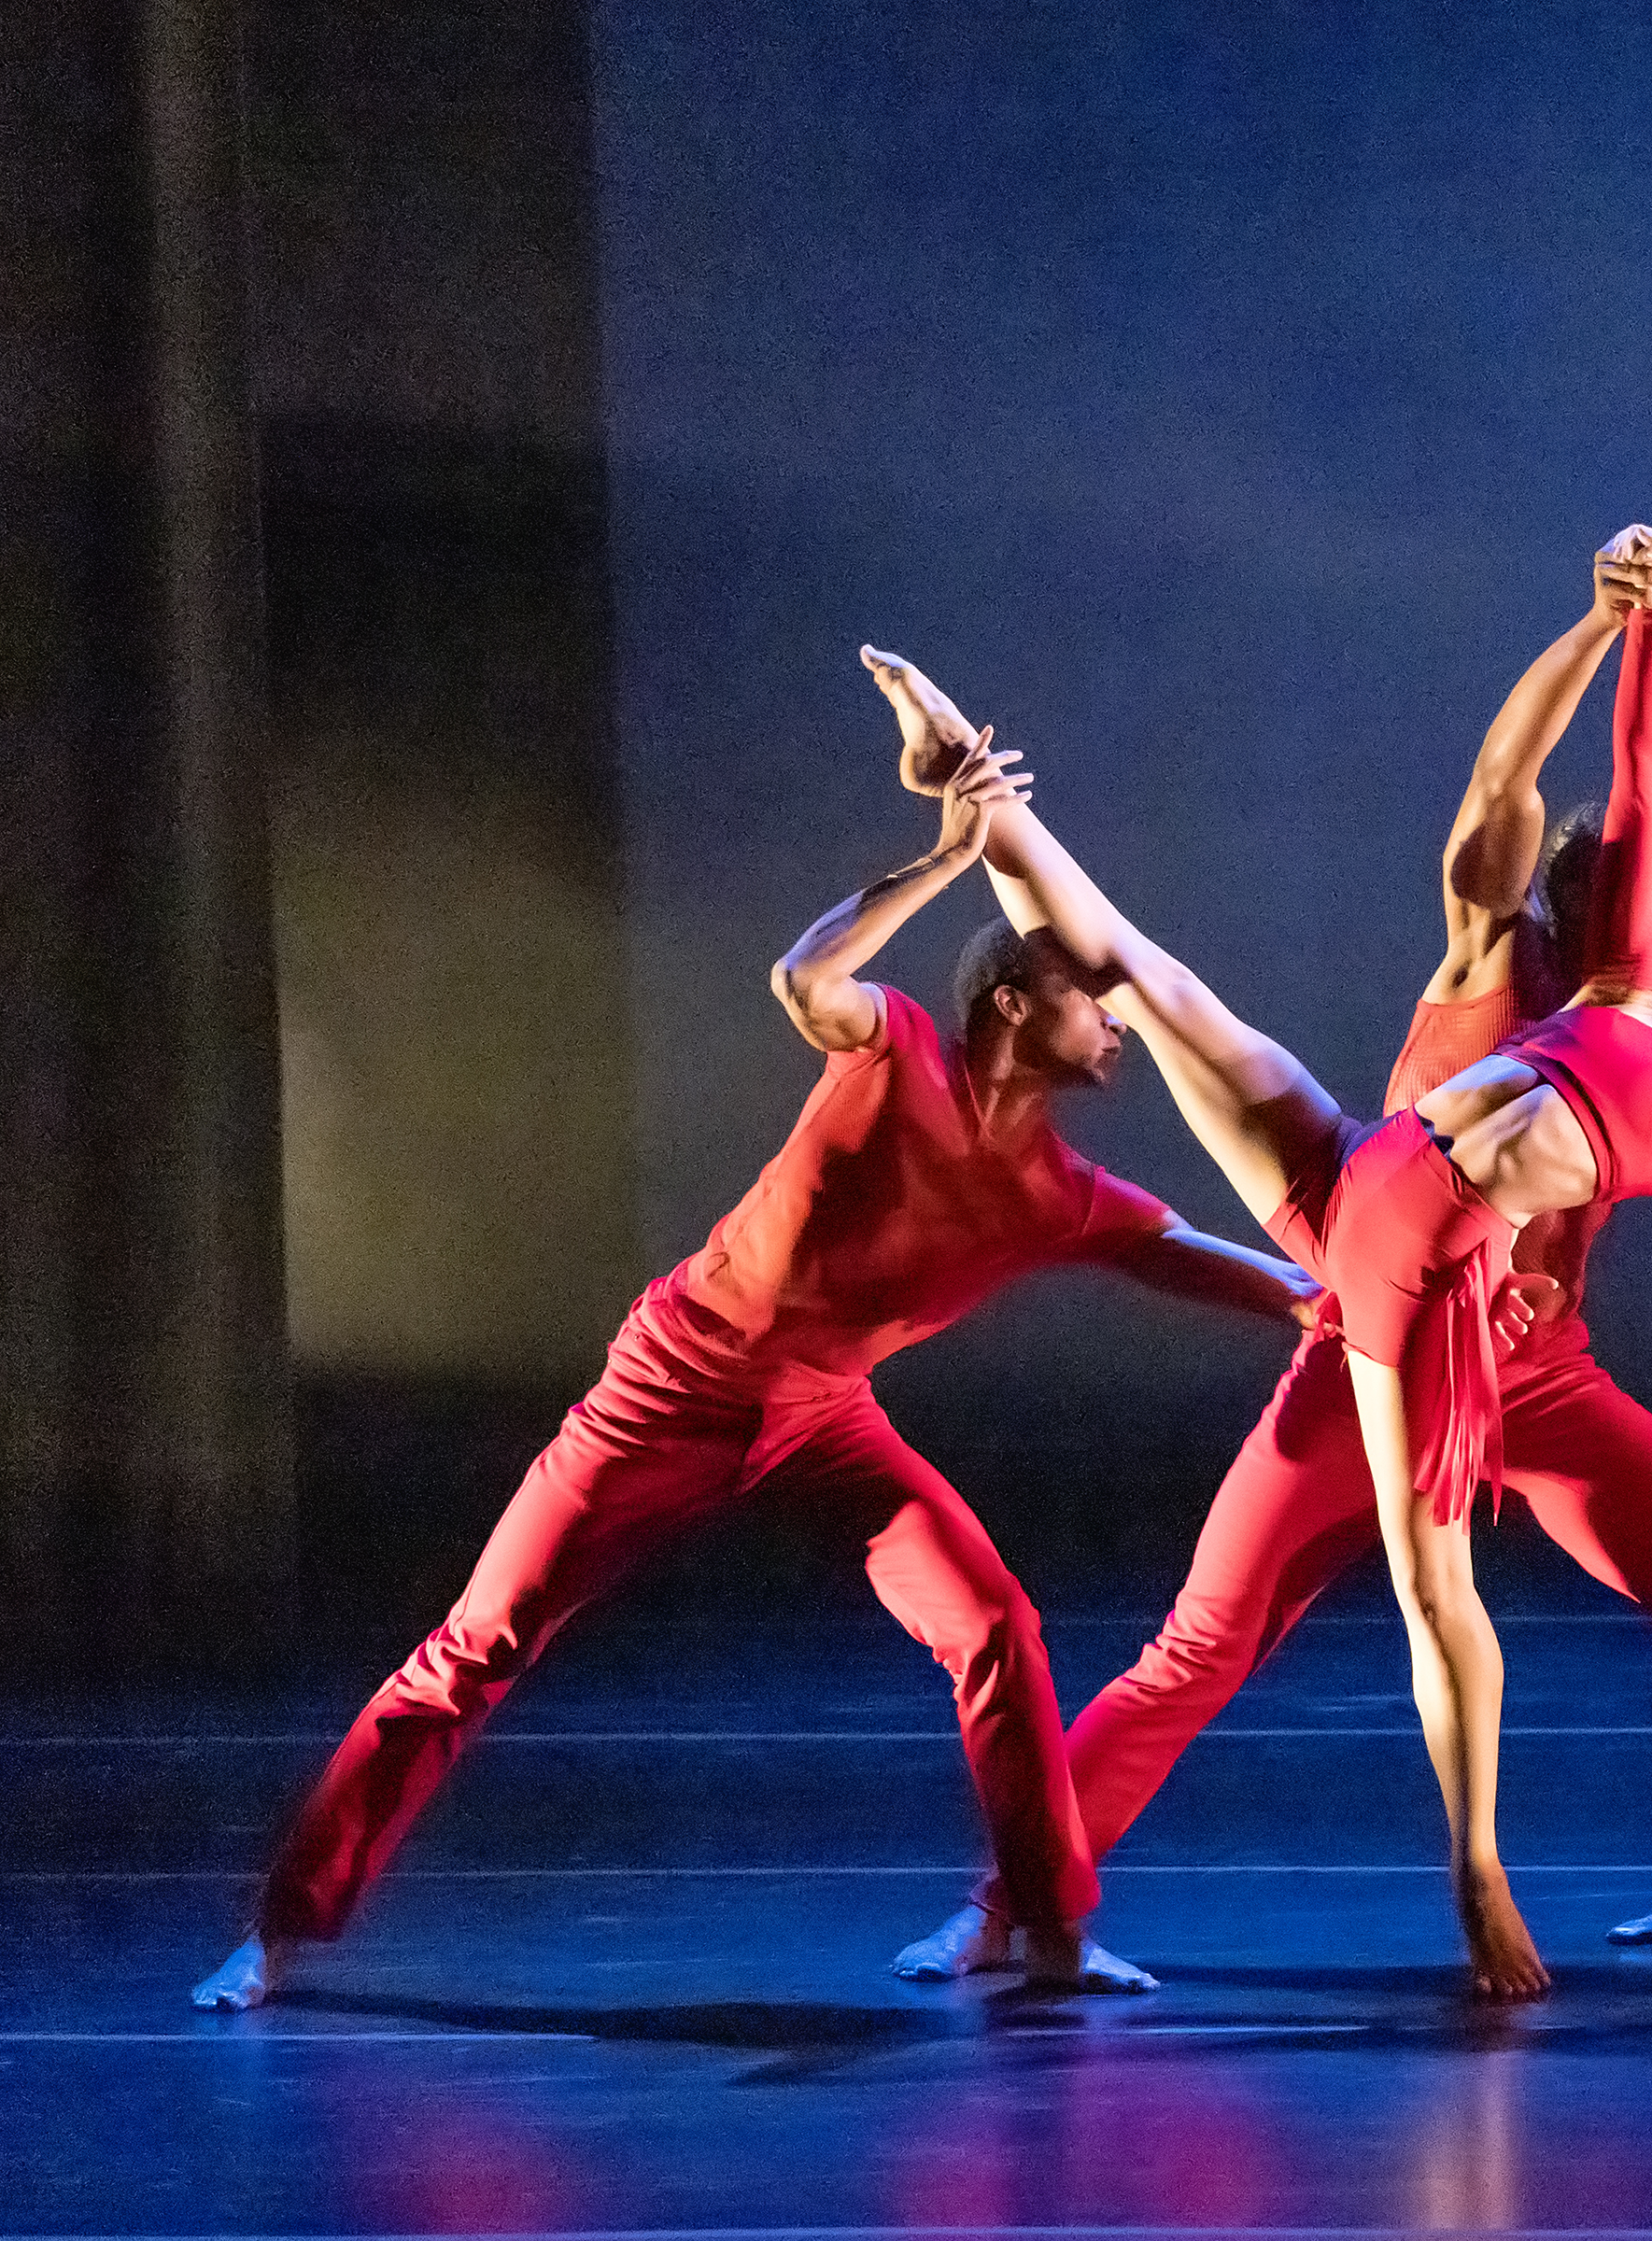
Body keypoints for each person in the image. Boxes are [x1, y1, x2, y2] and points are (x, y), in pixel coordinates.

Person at [861, 528, 1652, 1996]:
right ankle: (1017, 1903)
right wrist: (1613, 622)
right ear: (1578, 888)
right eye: (1642, 880)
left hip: (1531, 1366)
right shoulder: (1504, 945)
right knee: (1202, 1641)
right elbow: (1520, 784)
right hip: (1374, 1304)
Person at [191, 739, 1318, 2009]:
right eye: (1089, 998)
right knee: (478, 1642)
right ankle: (283, 1932)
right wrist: (947, 857)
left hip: (824, 1420)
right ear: (1010, 1002)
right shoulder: (894, 1051)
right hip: (667, 1391)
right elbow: (803, 973)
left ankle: (1049, 1932)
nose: (1118, 1019)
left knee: (994, 1625)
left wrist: (1346, 1299)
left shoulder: (1058, 1195)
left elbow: (1186, 1252)